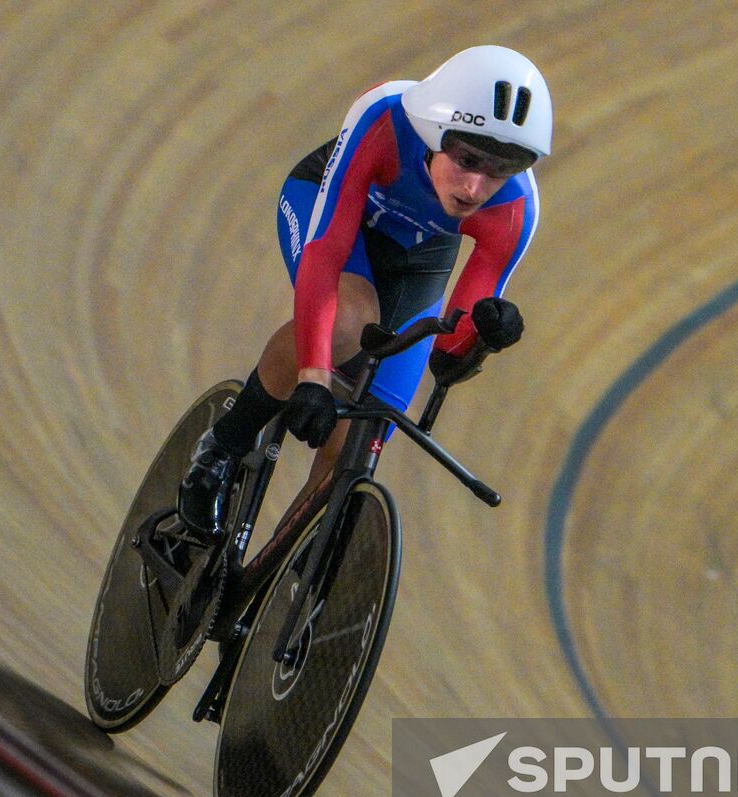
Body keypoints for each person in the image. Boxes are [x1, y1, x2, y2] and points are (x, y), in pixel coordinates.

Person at [178, 45, 551, 539]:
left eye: (500, 168)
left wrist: (482, 337)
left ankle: (276, 585)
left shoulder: (516, 209)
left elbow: (447, 346)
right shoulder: (386, 117)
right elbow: (326, 251)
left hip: (416, 265)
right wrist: (313, 376)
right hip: (330, 214)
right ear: (433, 132)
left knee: (358, 449)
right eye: (466, 158)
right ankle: (222, 446)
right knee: (349, 322)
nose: (477, 186)